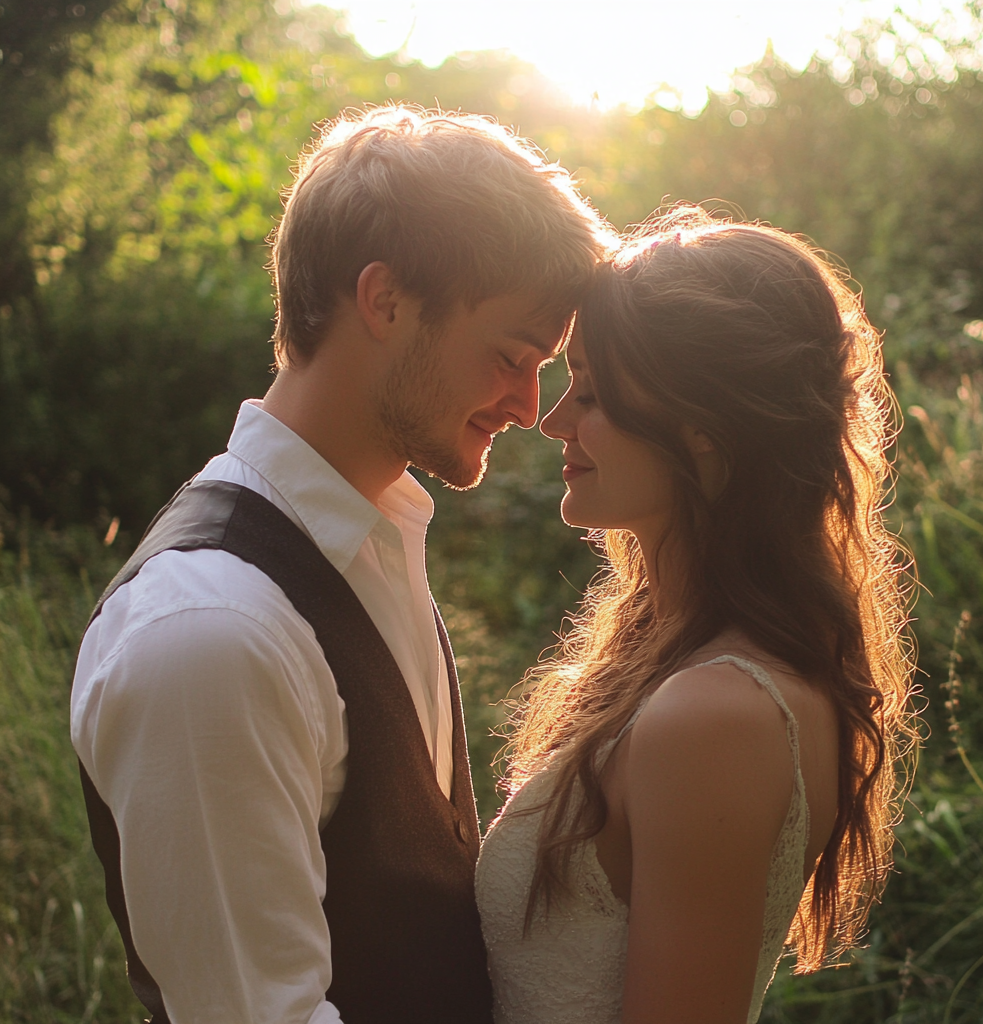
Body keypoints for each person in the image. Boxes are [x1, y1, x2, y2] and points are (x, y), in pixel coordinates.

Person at [71, 105, 611, 1024]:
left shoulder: (370, 538)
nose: (529, 405)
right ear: (385, 300)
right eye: (511, 358)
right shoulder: (209, 635)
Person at [475, 206, 918, 1024]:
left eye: (594, 394)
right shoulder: (668, 649)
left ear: (704, 430)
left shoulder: (716, 714)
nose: (553, 421)